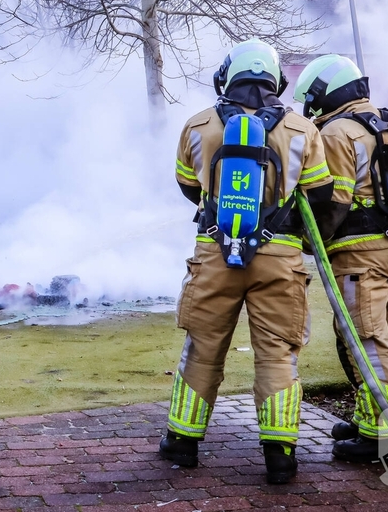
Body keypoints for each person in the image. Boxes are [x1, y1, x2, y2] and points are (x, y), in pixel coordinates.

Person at [161, 38, 336, 484]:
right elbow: (319, 195)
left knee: (202, 347)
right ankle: (280, 456)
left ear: (228, 75)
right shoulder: (302, 129)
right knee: (277, 353)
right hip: (280, 256)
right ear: (276, 79)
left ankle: (182, 443)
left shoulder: (199, 124)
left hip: (215, 250)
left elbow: (187, 186)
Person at [292, 54, 388, 464]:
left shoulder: (338, 131)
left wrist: (309, 241)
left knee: (368, 345)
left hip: (360, 258)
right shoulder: (385, 122)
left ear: (326, 93)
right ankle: (370, 422)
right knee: (383, 342)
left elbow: (334, 203)